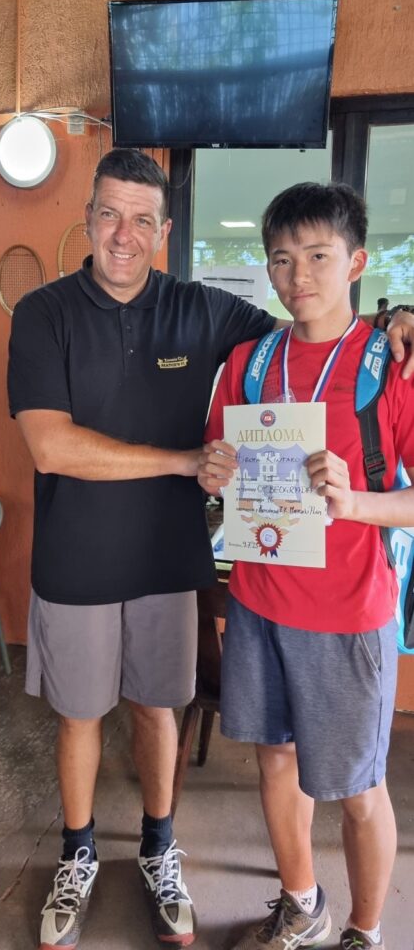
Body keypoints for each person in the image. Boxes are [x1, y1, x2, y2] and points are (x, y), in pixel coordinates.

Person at [8, 150, 414, 950]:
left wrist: (397, 316)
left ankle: (204, 868)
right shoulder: (59, 316)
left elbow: (319, 326)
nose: (122, 234)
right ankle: (101, 858)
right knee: (129, 727)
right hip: (172, 582)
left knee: (197, 724)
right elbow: (55, 446)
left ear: (163, 232)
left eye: (141, 219)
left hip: (258, 586)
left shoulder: (224, 318)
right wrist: (197, 463)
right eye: (107, 214)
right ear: (86, 219)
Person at [198, 182, 414, 950]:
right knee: (274, 762)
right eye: (282, 259)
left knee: (357, 789)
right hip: (258, 601)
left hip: (348, 615)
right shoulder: (248, 362)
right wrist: (213, 473)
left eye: (318, 256)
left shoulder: (390, 367)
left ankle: (364, 930)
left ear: (354, 262)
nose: (298, 276)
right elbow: (219, 468)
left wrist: (355, 503)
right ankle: (301, 905)